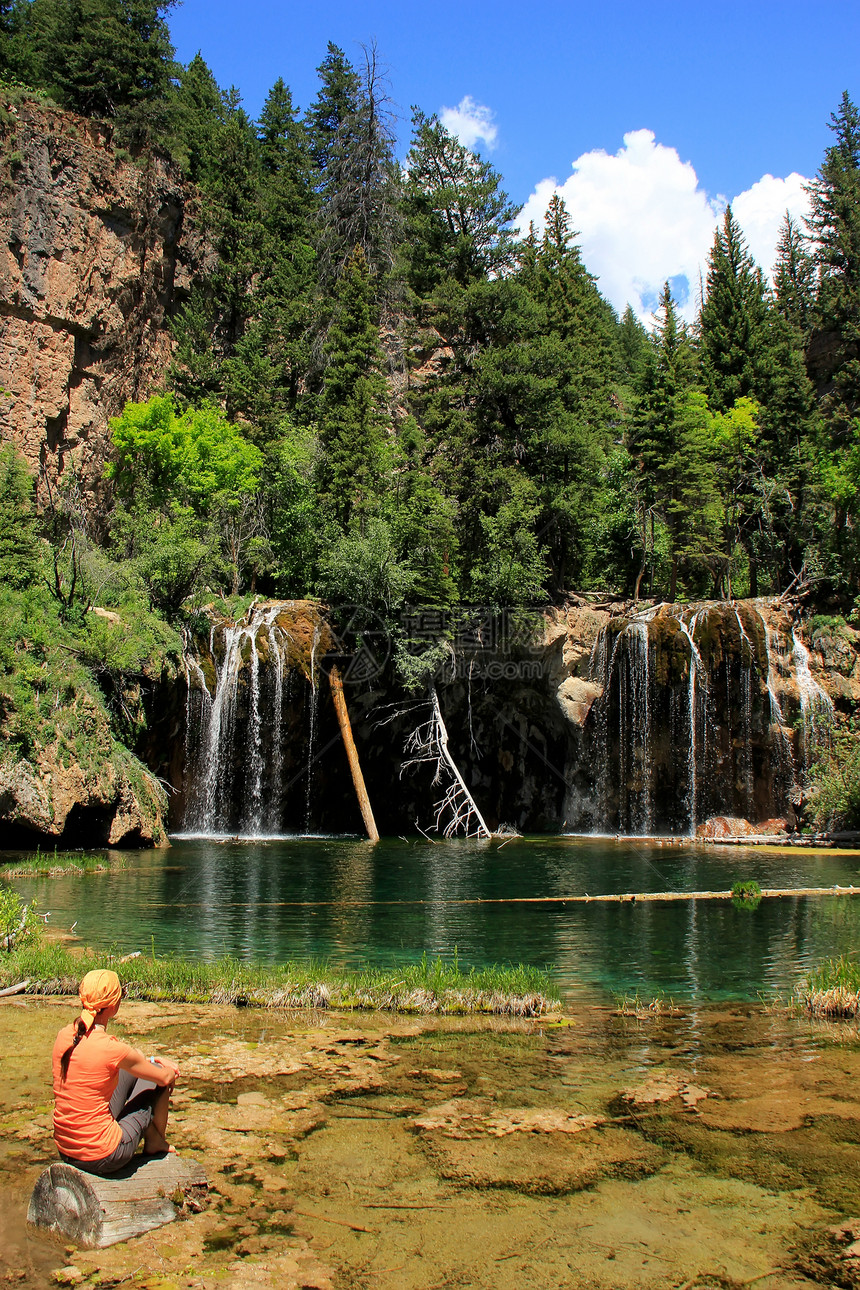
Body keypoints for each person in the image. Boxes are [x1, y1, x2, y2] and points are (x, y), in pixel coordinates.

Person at [52, 969, 180, 1175]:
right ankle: (156, 1142)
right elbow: (164, 1076)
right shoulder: (111, 1049)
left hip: (66, 1150)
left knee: (142, 1070)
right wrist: (167, 1068)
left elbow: (128, 1062)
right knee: (157, 1079)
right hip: (104, 1156)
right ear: (114, 1006)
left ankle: (154, 1140)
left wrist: (151, 1060)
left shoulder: (64, 1036)